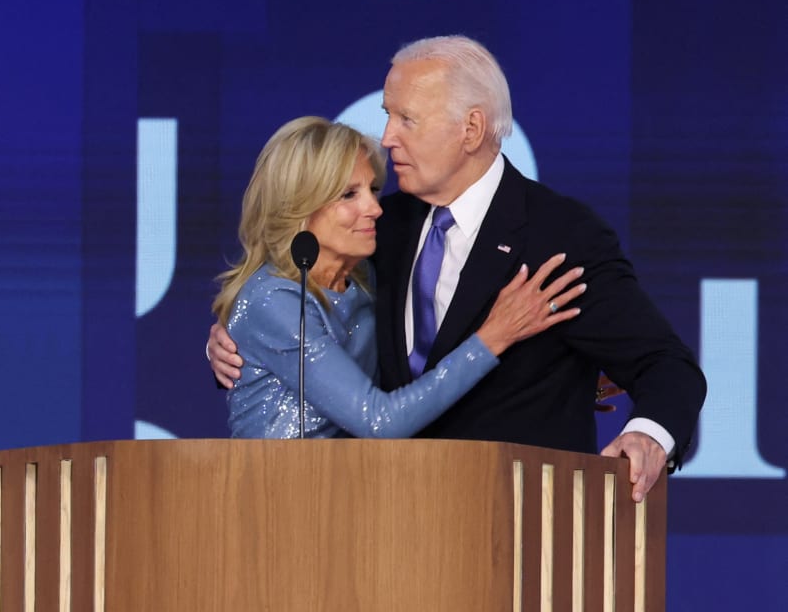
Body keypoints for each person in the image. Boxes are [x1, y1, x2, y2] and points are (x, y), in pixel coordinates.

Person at [210, 36, 706, 501]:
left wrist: (647, 435)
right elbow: (321, 323)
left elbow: (665, 365)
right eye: (388, 116)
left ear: (470, 129)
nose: (387, 137)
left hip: (513, 526)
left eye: (407, 119)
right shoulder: (384, 229)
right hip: (382, 531)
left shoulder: (558, 235)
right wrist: (239, 341)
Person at [214, 115, 586, 438]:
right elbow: (379, 420)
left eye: (373, 189)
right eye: (348, 195)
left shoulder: (368, 282)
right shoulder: (273, 300)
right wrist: (493, 336)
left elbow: (417, 373)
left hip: (355, 494)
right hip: (273, 499)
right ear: (299, 206)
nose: (375, 208)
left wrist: (554, 381)